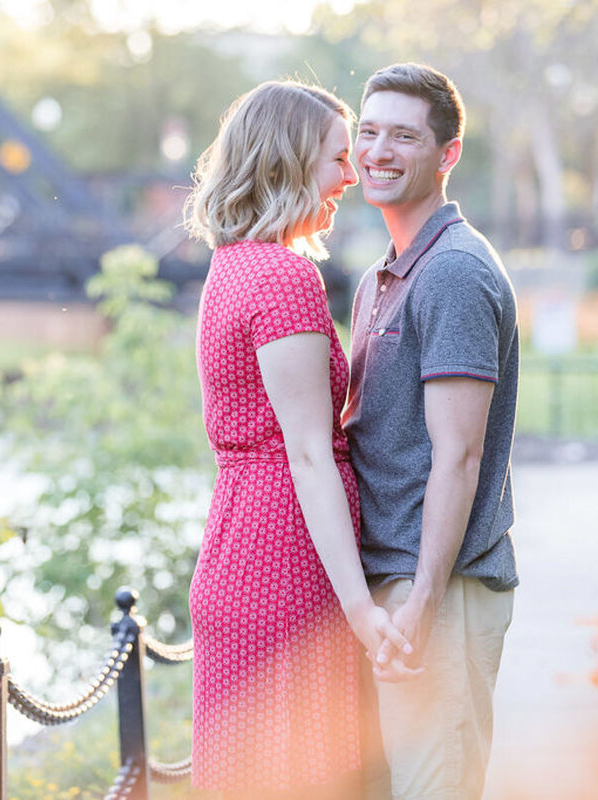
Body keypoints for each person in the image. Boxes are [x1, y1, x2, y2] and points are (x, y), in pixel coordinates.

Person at [183, 80, 411, 800]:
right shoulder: (284, 279)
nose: (352, 175)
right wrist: (360, 610)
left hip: (238, 541)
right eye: (338, 158)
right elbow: (307, 452)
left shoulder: (232, 266)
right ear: (287, 159)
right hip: (285, 558)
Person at [342, 63, 520, 800]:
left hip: (438, 595)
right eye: (369, 131)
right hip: (396, 591)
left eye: (403, 136)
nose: (378, 151)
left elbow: (460, 454)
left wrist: (420, 600)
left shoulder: (450, 272)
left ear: (446, 155)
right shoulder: (383, 273)